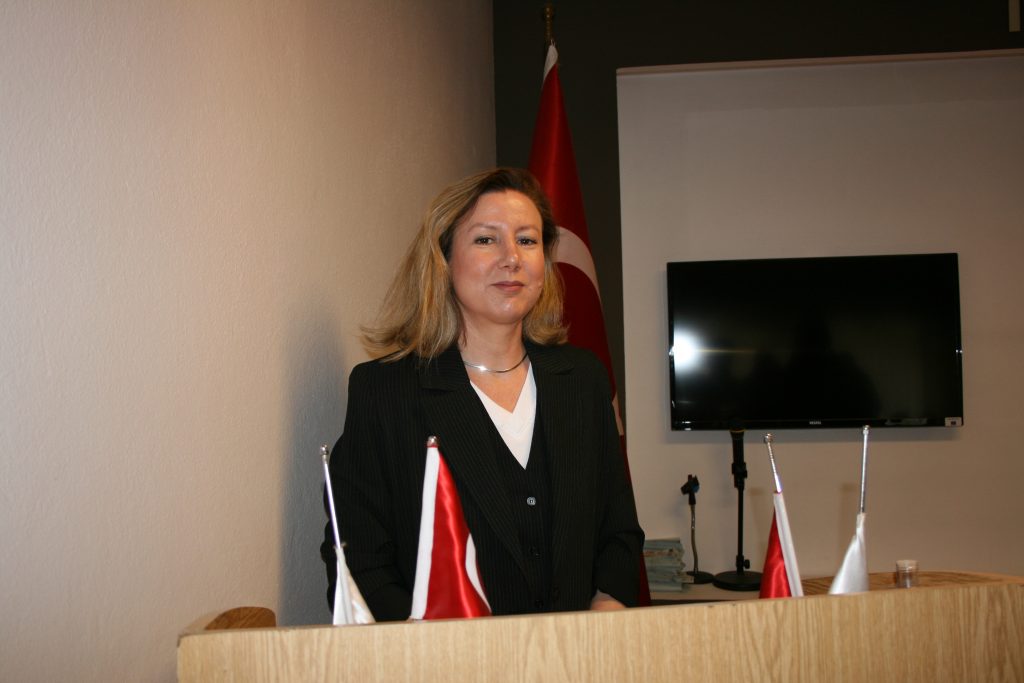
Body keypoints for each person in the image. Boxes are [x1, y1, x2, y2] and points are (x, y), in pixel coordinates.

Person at [321, 167, 643, 621]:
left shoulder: (584, 380)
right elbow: (358, 559)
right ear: (444, 259)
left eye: (527, 240)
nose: (512, 258)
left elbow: (618, 530)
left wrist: (606, 603)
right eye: (486, 239)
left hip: (579, 651)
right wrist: (432, 648)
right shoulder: (386, 392)